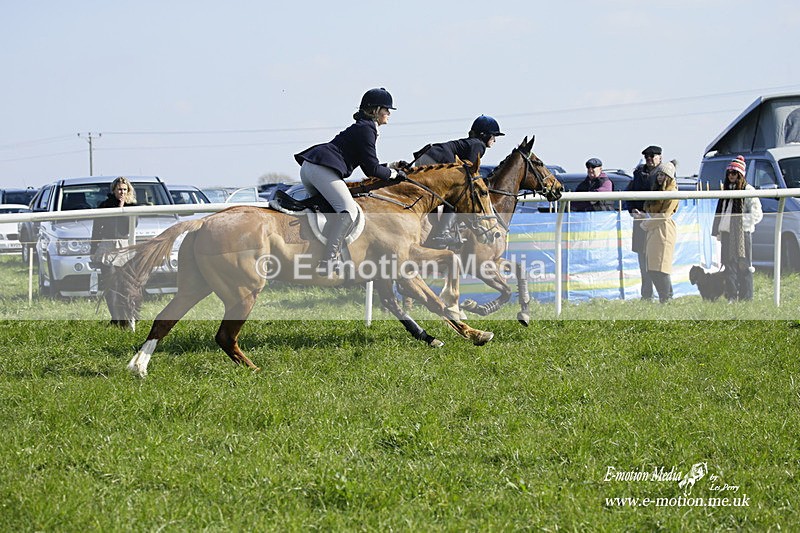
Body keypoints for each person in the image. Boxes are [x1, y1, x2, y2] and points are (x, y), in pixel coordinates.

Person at [294, 88, 405, 275]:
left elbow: (369, 164)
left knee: (330, 212)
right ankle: (328, 261)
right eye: (386, 109)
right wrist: (394, 175)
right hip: (322, 169)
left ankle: (322, 254)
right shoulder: (367, 129)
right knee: (348, 211)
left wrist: (393, 165)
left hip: (312, 167)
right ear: (375, 110)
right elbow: (372, 170)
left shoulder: (364, 127)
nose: (389, 113)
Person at [413, 115, 504, 248]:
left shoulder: (471, 143)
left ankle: (436, 231)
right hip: (438, 159)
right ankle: (442, 234)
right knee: (460, 194)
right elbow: (470, 173)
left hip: (426, 156)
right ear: (484, 135)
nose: (494, 140)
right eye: (493, 136)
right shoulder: (479, 145)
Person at [711, 155, 763, 301]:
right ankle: (731, 296)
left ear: (740, 174)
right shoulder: (726, 190)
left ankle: (747, 298)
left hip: (742, 234)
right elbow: (721, 213)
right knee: (729, 267)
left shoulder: (748, 190)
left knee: (744, 267)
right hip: (727, 234)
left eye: (734, 173)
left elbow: (757, 214)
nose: (731, 176)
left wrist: (739, 223)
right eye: (729, 173)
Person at [90, 176, 138, 327]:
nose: (122, 192)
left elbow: (129, 227)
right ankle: (116, 318)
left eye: (125, 189)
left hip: (124, 246)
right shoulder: (104, 205)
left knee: (125, 285)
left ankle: (128, 317)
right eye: (119, 189)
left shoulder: (132, 207)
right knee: (111, 285)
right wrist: (93, 247)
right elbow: (97, 228)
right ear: (114, 190)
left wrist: (123, 207)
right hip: (108, 246)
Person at [632, 161, 679, 303]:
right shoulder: (656, 191)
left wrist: (645, 223)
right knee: (652, 268)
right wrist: (643, 216)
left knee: (661, 268)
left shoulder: (673, 192)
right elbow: (653, 213)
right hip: (653, 230)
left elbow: (665, 215)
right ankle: (665, 298)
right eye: (658, 174)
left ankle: (667, 299)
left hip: (664, 231)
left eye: (663, 175)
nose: (660, 178)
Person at [626, 145, 662, 300]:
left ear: (660, 157)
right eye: (647, 157)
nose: (649, 159)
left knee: (659, 263)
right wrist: (633, 210)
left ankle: (665, 295)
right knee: (643, 263)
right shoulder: (638, 174)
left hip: (657, 223)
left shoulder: (664, 174)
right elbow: (629, 194)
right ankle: (646, 295)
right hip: (640, 222)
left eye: (652, 156)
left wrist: (650, 214)